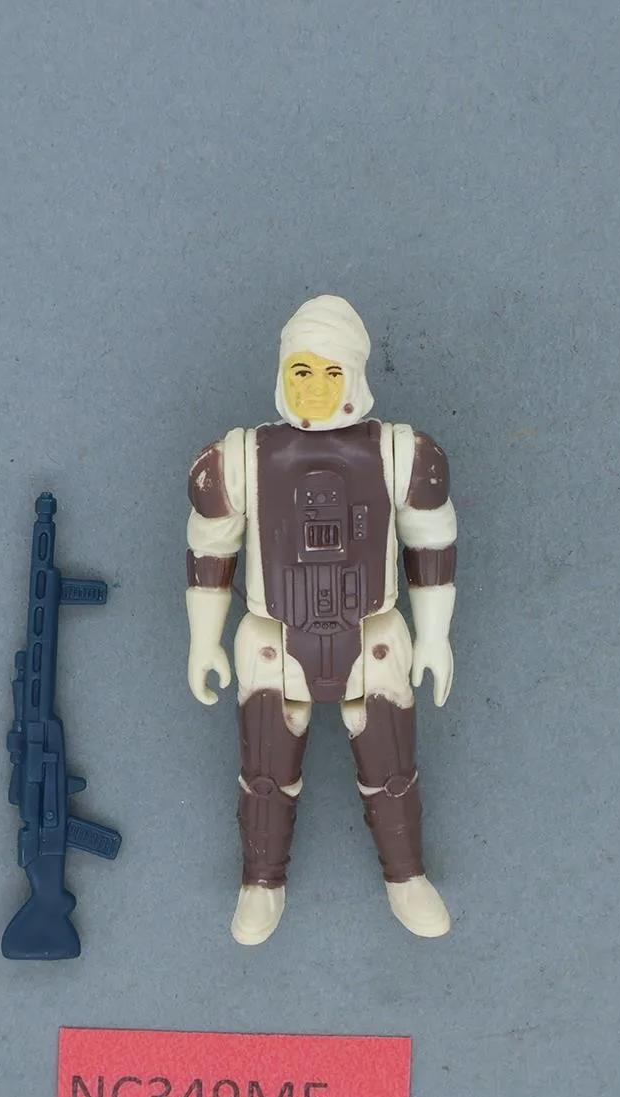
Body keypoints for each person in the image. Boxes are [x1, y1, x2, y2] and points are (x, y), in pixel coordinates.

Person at [185, 295, 458, 945]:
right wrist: (204, 641)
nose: (314, 388)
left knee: (391, 766)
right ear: (282, 372)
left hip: (373, 634)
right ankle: (261, 881)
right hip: (275, 638)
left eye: (331, 372)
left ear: (355, 375)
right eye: (301, 370)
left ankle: (406, 875)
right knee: (265, 772)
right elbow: (210, 548)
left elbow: (431, 540)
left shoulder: (401, 454)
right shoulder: (239, 459)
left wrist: (435, 636)